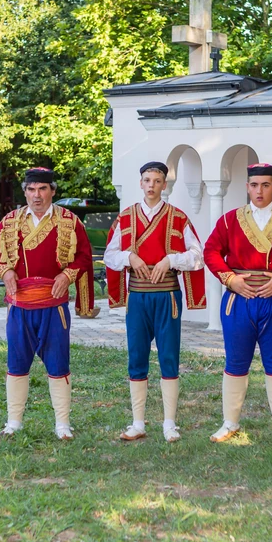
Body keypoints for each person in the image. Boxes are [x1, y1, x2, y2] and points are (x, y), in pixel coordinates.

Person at [0, 167, 94, 440]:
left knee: (58, 362)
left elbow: (84, 255)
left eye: (42, 189)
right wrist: (6, 271)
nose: (36, 195)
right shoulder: (9, 221)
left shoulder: (70, 221)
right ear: (25, 192)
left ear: (52, 191)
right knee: (16, 362)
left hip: (53, 306)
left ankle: (62, 424)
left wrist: (67, 275)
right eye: (31, 190)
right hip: (19, 305)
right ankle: (14, 422)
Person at [202, 163, 272, 443]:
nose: (259, 191)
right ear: (247, 187)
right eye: (254, 185)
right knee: (236, 360)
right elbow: (211, 251)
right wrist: (230, 279)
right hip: (239, 301)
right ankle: (230, 423)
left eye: (265, 185)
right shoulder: (229, 220)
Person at [104, 161, 206, 443]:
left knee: (169, 356)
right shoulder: (126, 217)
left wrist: (170, 260)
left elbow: (197, 256)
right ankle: (138, 422)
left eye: (157, 181)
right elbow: (110, 255)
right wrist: (129, 257)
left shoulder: (178, 217)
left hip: (167, 295)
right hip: (137, 296)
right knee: (136, 355)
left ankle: (169, 423)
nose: (151, 185)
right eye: (147, 180)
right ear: (140, 183)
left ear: (164, 184)